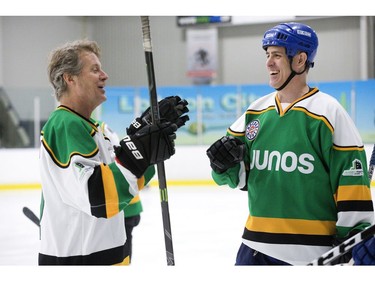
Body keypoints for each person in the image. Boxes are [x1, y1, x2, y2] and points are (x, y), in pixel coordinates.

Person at [206, 22, 375, 265]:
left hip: (311, 254)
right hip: (254, 248)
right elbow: (238, 178)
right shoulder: (256, 112)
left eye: (276, 55)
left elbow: (351, 182)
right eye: (267, 55)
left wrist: (352, 237)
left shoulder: (328, 114)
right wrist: (222, 167)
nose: (268, 62)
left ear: (300, 60)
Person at [39, 39, 185, 265]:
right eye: (94, 69)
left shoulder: (92, 128)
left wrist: (147, 145)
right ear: (70, 78)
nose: (104, 75)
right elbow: (98, 197)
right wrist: (140, 149)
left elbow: (129, 184)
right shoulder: (65, 124)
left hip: (102, 256)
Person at [99, 96, 189, 264]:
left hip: (117, 208)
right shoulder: (101, 128)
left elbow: (122, 164)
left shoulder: (97, 129)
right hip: (125, 207)